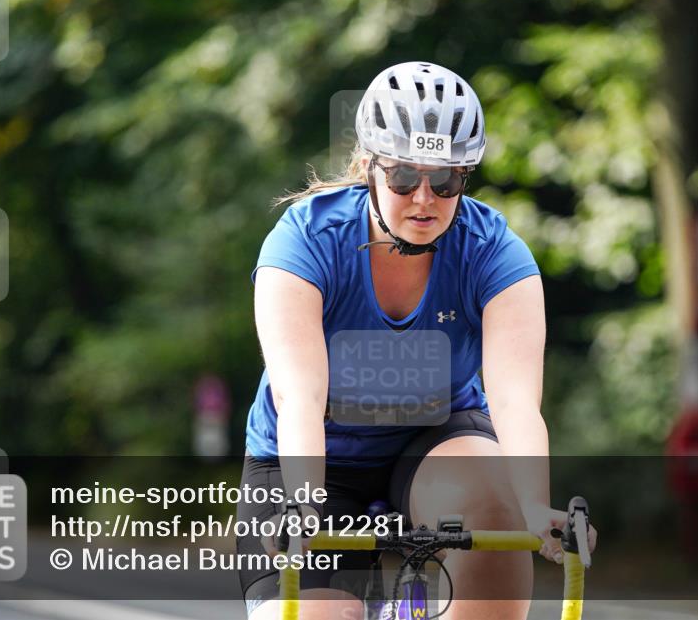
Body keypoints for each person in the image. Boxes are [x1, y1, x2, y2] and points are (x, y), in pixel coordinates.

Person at [236, 61, 596, 620]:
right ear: (368, 167)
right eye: (404, 177)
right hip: (315, 461)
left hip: (434, 440)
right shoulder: (305, 240)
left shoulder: (494, 250)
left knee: (497, 504)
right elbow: (299, 398)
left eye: (446, 179)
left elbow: (515, 401)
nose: (424, 198)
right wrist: (304, 507)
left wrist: (532, 505)